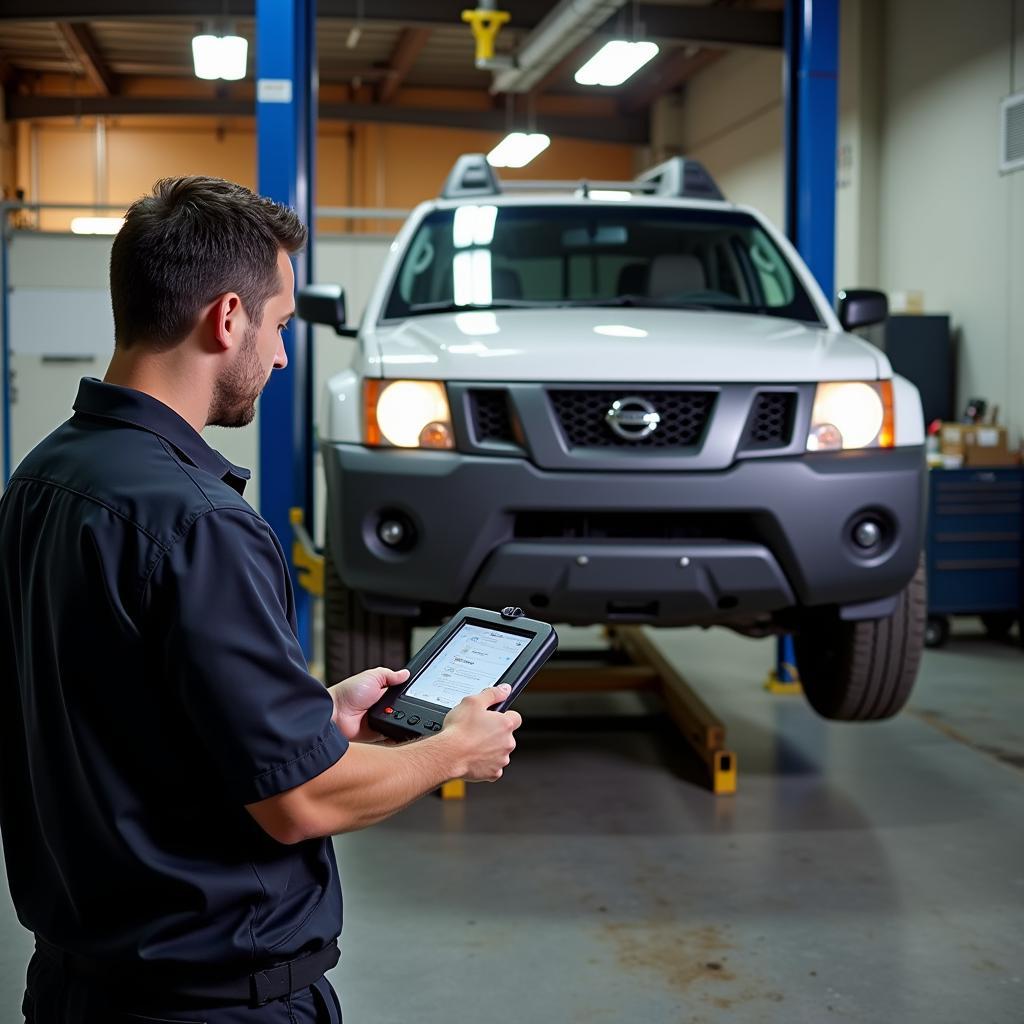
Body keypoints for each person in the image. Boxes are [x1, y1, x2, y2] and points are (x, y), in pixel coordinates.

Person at [0, 176, 522, 1023]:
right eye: (279, 326)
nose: (281, 356)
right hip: (207, 1002)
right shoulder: (201, 522)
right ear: (228, 317)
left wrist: (315, 710)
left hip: (74, 985)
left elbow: (117, 713)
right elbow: (300, 803)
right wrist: (452, 751)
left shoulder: (45, 477)